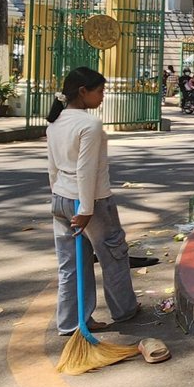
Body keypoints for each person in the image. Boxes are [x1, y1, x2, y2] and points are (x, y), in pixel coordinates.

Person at [46, 67, 139, 336]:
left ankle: (71, 322)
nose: (103, 97)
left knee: (70, 265)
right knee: (114, 256)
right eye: (100, 91)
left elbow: (53, 168)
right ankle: (124, 310)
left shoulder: (55, 122)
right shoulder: (90, 125)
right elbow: (86, 170)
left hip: (61, 199)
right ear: (83, 92)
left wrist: (59, 195)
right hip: (92, 202)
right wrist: (86, 209)